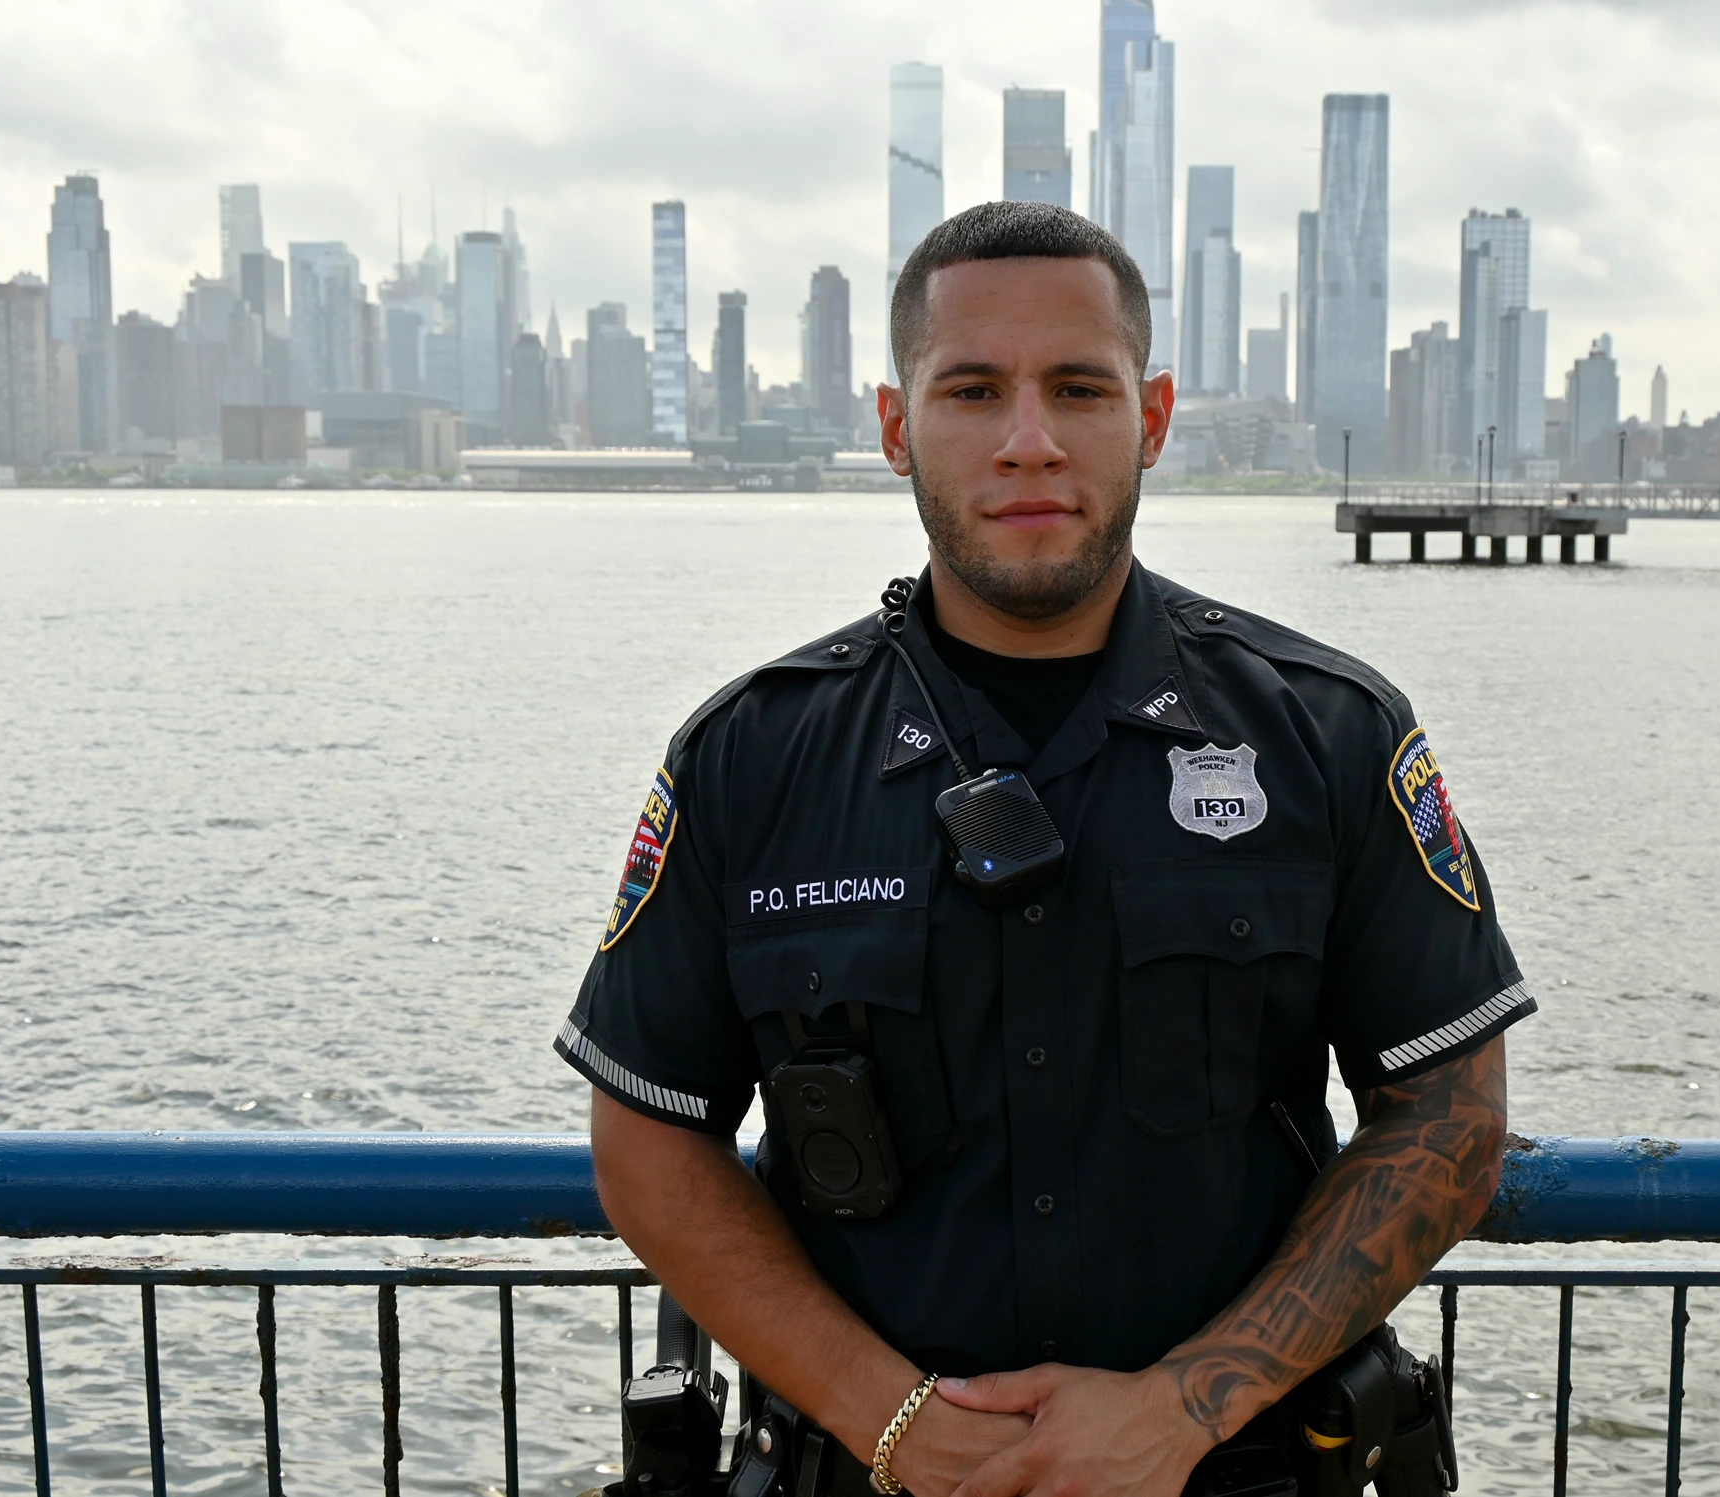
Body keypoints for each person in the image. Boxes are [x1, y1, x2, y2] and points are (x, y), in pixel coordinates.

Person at [556, 200, 1531, 1497]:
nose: (1029, 441)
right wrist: (893, 1418)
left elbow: (1451, 1113)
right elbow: (650, 1138)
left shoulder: (1325, 736)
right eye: (972, 391)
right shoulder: (750, 761)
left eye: (1079, 388)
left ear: (1154, 416)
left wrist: (1187, 1405)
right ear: (897, 424)